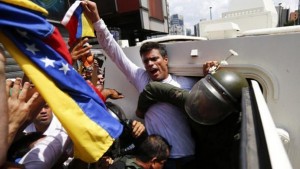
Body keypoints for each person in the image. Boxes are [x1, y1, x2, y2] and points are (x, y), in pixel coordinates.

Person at [81, 2, 198, 168]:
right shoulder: (141, 78)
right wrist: (96, 19)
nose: (150, 64)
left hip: (189, 155)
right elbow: (113, 50)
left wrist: (211, 72)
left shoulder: (185, 82)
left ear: (165, 59)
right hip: (159, 162)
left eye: (154, 59)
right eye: (146, 61)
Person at [135, 68, 249, 169]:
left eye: (212, 105)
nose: (203, 105)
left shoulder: (235, 132)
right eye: (205, 95)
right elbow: (153, 88)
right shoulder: (193, 102)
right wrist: (140, 111)